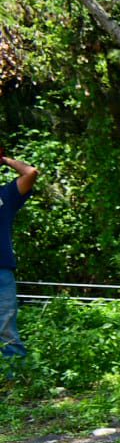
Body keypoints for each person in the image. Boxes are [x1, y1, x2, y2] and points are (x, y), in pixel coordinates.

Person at [0, 143, 39, 361]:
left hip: (1, 271)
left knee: (6, 327)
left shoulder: (5, 195)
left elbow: (30, 172)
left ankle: (16, 378)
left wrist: (4, 160)